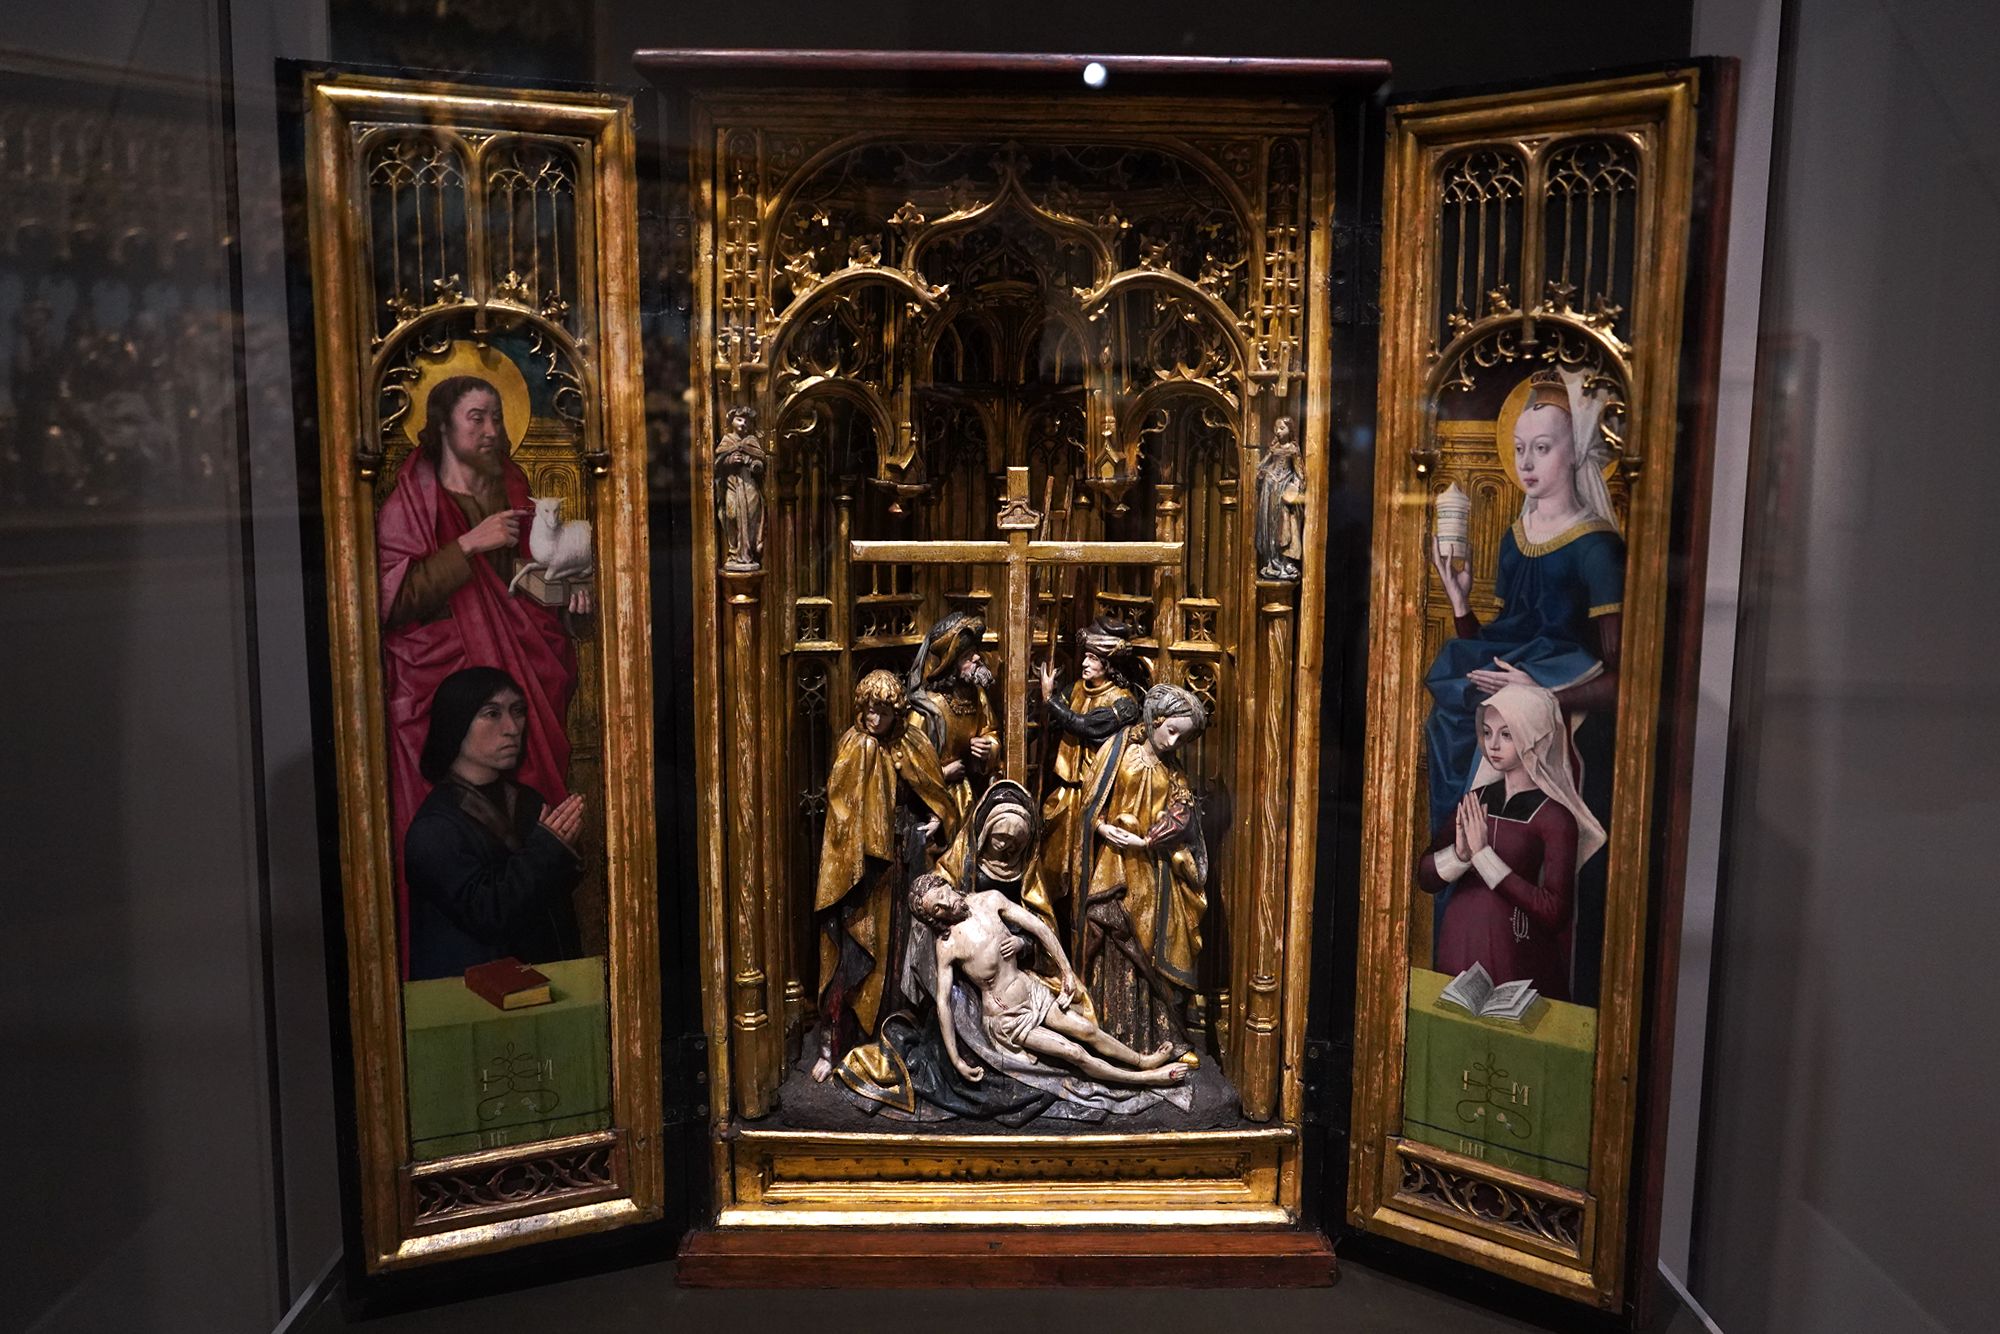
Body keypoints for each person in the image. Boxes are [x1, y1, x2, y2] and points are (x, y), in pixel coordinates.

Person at [378, 372, 591, 977]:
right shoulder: (410, 502)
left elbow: (528, 600)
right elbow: (388, 600)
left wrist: (570, 602)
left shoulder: (514, 492)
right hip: (438, 681)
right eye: (478, 417)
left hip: (518, 668)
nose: (493, 429)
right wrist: (467, 545)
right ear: (442, 425)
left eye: (498, 416)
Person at [1423, 368, 1623, 834]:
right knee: (1450, 716)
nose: (1526, 463)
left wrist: (1541, 695)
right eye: (1519, 449)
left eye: (1542, 447)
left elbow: (1623, 679)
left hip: (1569, 711)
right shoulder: (1514, 540)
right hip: (1512, 698)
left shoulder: (1598, 550)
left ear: (1575, 451)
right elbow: (1499, 646)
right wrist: (1460, 604)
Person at [1415, 684, 1605, 1001]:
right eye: (1487, 733)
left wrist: (1483, 857)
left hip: (1515, 953)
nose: (1493, 745)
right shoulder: (1475, 799)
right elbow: (1425, 878)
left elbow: (1554, 911)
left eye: (1506, 734)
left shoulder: (1555, 817)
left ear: (1532, 736)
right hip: (1459, 943)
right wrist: (1460, 855)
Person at [813, 670, 958, 1083]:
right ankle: (835, 1044)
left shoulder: (913, 742)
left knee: (901, 950)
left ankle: (895, 1035)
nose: (873, 718)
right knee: (855, 948)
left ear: (897, 712)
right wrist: (865, 842)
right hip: (863, 868)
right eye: (868, 709)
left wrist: (937, 817)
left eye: (883, 710)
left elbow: (934, 793)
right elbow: (841, 810)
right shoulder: (855, 746)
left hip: (905, 860)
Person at [912, 875, 1190, 1092]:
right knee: (1074, 1052)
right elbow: (943, 1003)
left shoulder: (990, 900)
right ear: (935, 918)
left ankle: (1142, 1061)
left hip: (1032, 993)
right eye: (937, 909)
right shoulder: (948, 945)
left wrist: (1066, 971)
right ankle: (1146, 1079)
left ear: (946, 884)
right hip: (1009, 1019)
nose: (946, 905)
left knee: (1087, 1030)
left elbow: (1040, 928)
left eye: (942, 895)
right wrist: (956, 1059)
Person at [404, 667, 584, 981]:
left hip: (552, 985)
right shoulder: (434, 828)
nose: (512, 728)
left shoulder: (528, 802)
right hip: (472, 997)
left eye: (518, 711)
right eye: (492, 713)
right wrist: (548, 849)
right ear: (456, 723)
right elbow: (489, 914)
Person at [1074, 682, 1211, 1048]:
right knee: (1111, 935)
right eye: (1172, 731)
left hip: (1153, 871)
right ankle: (1109, 1031)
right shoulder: (1118, 751)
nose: (1173, 743)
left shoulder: (1174, 772)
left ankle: (1156, 1036)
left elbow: (1183, 816)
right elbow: (1091, 799)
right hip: (1113, 863)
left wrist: (1147, 841)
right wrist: (1101, 827)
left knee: (1149, 947)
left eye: (1182, 739)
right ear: (1157, 719)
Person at [1035, 616, 1149, 909]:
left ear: (1108, 665)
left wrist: (1050, 700)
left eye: (1093, 658)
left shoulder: (1123, 702)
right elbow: (1055, 720)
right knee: (1051, 864)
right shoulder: (1077, 688)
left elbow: (1086, 726)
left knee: (1085, 867)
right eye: (1085, 656)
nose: (1085, 663)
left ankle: (1081, 924)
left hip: (1096, 797)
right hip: (1065, 791)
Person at [906, 611, 1000, 820]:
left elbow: (991, 731)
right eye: (967, 656)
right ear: (951, 665)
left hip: (970, 793)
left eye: (975, 652)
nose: (977, 658)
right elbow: (910, 764)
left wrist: (988, 747)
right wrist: (943, 773)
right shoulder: (928, 707)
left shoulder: (978, 696)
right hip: (934, 803)